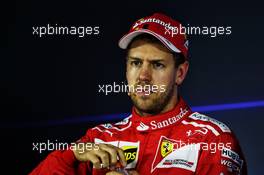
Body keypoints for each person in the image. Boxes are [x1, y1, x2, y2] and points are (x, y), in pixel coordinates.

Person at [30, 13, 247, 175]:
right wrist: (70, 155)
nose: (143, 76)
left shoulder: (213, 139)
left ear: (180, 73)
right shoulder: (99, 138)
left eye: (157, 65)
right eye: (135, 63)